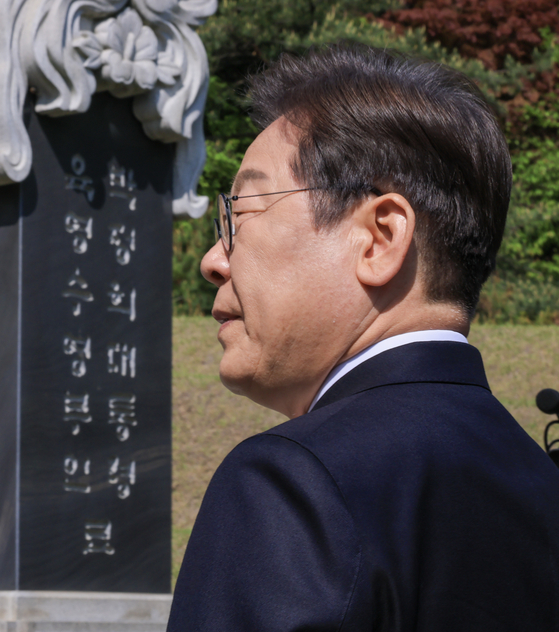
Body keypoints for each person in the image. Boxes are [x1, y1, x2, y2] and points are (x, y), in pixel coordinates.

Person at [167, 44, 559, 631]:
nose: (212, 260)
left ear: (380, 238)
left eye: (240, 214)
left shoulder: (294, 483)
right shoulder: (540, 485)